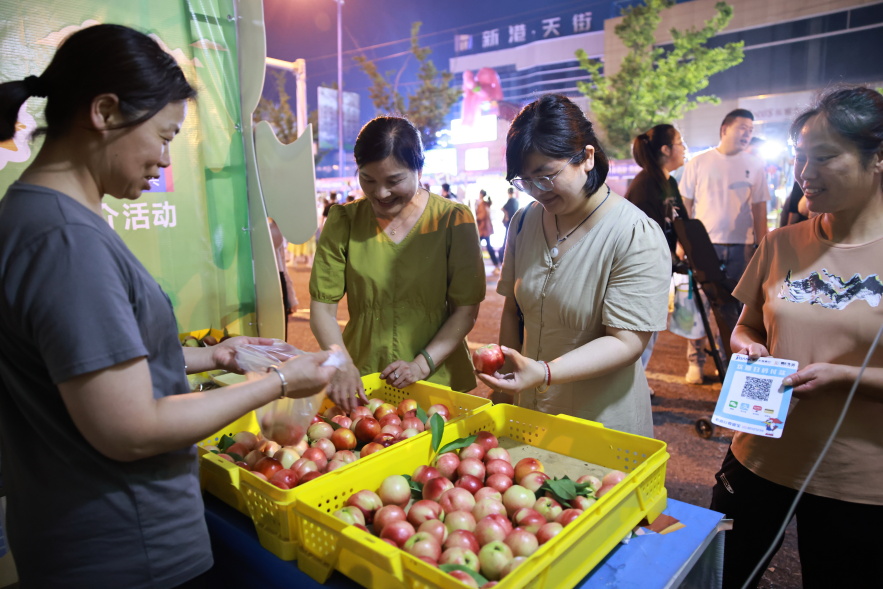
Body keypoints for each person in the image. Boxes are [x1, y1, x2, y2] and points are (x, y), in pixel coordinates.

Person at [0, 25, 335, 588]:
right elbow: (130, 427)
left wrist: (214, 357)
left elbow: (85, 371)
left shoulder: (31, 214)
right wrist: (278, 382)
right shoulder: (66, 240)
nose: (163, 158)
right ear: (105, 112)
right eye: (162, 135)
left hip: (71, 533)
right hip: (126, 549)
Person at [711, 86, 883, 588]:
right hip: (757, 457)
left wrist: (845, 377)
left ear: (877, 158)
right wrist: (746, 346)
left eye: (824, 157)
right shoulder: (781, 243)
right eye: (800, 156)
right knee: (720, 576)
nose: (804, 172)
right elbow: (746, 327)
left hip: (857, 482)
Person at [478, 94, 670, 437]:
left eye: (546, 175)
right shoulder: (524, 222)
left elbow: (627, 343)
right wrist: (506, 386)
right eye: (524, 181)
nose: (537, 191)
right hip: (530, 412)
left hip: (600, 422)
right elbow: (513, 311)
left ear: (587, 157)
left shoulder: (634, 234)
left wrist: (544, 373)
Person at [309, 116, 486, 411]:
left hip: (437, 376)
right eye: (368, 179)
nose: (380, 193)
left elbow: (465, 311)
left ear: (419, 169)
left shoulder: (453, 220)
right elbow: (322, 310)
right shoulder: (344, 222)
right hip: (362, 376)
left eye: (394, 181)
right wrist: (341, 362)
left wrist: (421, 365)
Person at [679, 108, 771, 384]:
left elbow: (760, 211)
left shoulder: (755, 165)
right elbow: (685, 207)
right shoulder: (699, 162)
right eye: (742, 127)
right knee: (699, 307)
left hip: (742, 248)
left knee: (735, 310)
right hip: (704, 246)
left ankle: (730, 363)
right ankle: (695, 362)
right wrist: (683, 244)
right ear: (724, 129)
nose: (747, 133)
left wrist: (763, 248)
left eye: (751, 130)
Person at [625, 124, 688, 371]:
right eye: (680, 142)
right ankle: (632, 384)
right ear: (666, 149)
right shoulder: (645, 185)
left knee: (650, 330)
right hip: (642, 273)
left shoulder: (668, 181)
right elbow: (646, 237)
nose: (684, 148)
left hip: (659, 270)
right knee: (640, 331)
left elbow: (681, 220)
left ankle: (638, 382)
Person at [269, 218, 298, 340]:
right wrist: (291, 297)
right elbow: (282, 266)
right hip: (275, 281)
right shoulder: (275, 228)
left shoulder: (270, 226)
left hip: (267, 281)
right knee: (277, 333)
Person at [475, 189, 500, 273]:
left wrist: (477, 218)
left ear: (481, 195)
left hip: (483, 229)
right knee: (487, 247)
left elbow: (482, 215)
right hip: (485, 229)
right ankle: (496, 265)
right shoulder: (486, 203)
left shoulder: (482, 204)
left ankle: (476, 267)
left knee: (476, 247)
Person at [499, 186, 520, 259]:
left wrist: (506, 215)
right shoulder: (516, 201)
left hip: (509, 223)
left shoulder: (510, 200)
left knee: (507, 240)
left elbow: (502, 208)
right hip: (515, 222)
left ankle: (503, 257)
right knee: (512, 239)